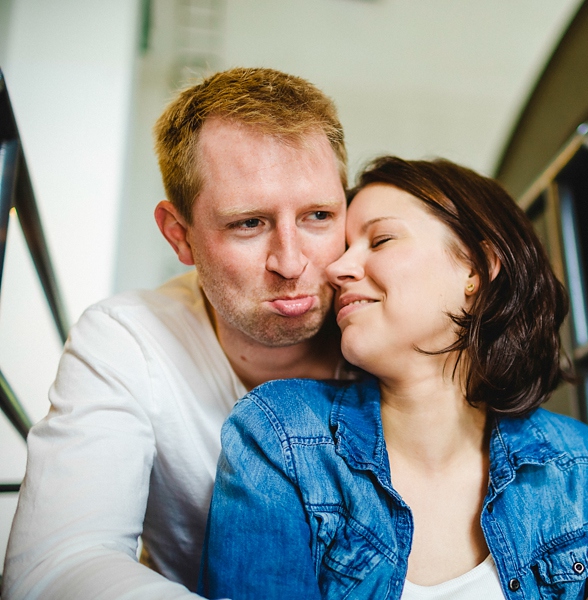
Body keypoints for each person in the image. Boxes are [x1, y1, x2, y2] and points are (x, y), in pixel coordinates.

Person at [200, 157, 588, 599]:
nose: (338, 269)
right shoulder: (282, 435)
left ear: (477, 268)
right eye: (345, 249)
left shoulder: (580, 464)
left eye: (381, 240)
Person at [2, 67, 349, 599]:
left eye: (318, 216)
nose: (291, 260)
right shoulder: (129, 339)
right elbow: (54, 566)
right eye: (248, 223)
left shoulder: (390, 330)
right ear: (179, 236)